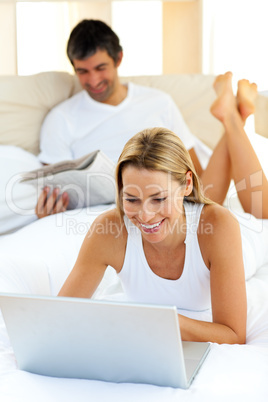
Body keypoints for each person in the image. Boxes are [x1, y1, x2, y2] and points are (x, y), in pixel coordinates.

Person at [58, 73, 268, 345]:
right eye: (131, 199)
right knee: (197, 204)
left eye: (157, 199)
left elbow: (233, 334)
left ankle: (233, 118)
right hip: (190, 214)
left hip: (247, 236)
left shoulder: (220, 225)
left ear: (186, 184)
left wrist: (162, 321)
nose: (144, 216)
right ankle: (232, 113)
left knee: (261, 210)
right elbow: (60, 318)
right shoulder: (106, 231)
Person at [35, 19, 204, 219]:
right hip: (90, 218)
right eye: (83, 71)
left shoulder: (159, 103)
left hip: (157, 209)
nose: (93, 80)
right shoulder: (61, 118)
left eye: (100, 68)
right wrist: (50, 209)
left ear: (118, 59)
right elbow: (54, 188)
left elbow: (195, 173)